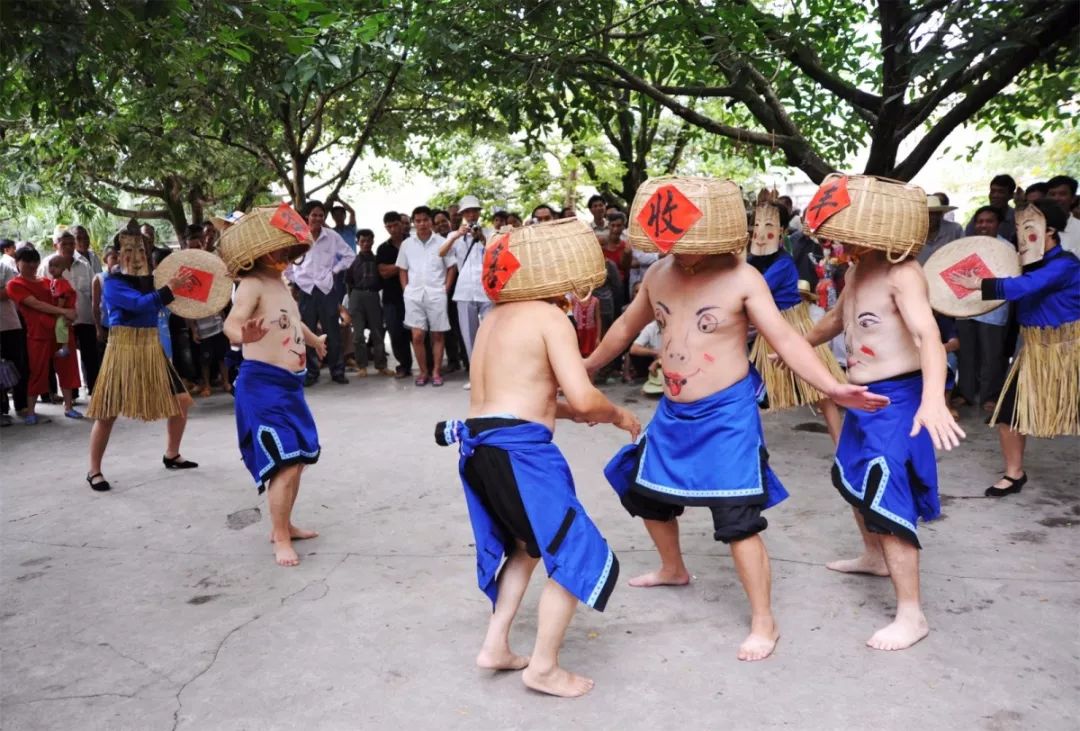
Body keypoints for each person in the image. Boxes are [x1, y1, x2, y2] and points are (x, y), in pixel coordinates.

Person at [592, 177, 887, 662]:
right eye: (675, 245)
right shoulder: (660, 273)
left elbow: (786, 340)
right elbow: (626, 325)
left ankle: (763, 621)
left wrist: (832, 386)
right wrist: (586, 367)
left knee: (737, 519)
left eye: (690, 245)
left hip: (727, 414)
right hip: (673, 411)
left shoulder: (742, 278)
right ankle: (673, 568)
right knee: (643, 490)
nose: (682, 253)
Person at [434, 219, 640, 697]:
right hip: (519, 456)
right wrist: (615, 413)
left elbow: (526, 400)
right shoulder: (549, 318)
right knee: (575, 550)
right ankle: (543, 667)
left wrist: (589, 415)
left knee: (525, 548)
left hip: (481, 450)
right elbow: (585, 399)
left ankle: (495, 645)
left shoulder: (494, 318)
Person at [803, 177, 965, 652]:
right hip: (860, 394)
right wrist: (796, 345)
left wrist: (933, 398)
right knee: (851, 475)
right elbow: (838, 319)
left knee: (887, 487)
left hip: (899, 396)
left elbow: (928, 337)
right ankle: (873, 556)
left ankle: (912, 614)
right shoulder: (856, 270)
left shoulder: (904, 272)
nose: (838, 240)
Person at [948, 199, 1079, 497]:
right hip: (1035, 354)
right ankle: (1014, 473)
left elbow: (1023, 288)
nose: (1021, 236)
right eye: (1019, 228)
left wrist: (979, 283)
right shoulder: (1025, 265)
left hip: (1070, 354)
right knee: (1008, 416)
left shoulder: (1065, 265)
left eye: (1029, 229)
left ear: (1051, 232)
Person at [221, 205, 325, 567]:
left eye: (286, 247)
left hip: (290, 386)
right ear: (258, 251)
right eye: (276, 247)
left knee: (297, 461)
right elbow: (232, 324)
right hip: (261, 385)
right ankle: (279, 535)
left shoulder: (280, 283)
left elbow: (295, 322)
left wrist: (315, 342)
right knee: (285, 462)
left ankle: (286, 524)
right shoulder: (250, 284)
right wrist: (241, 335)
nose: (283, 253)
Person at [85, 231, 198, 491]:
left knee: (181, 401)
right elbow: (138, 305)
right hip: (123, 349)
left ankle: (171, 453)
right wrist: (171, 289)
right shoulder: (110, 281)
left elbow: (176, 296)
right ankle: (94, 470)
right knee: (107, 412)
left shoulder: (153, 279)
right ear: (118, 254)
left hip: (150, 346)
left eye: (142, 251)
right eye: (129, 251)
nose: (136, 257)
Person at [746, 190, 843, 442]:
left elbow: (752, 289)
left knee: (820, 393)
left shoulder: (783, 263)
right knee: (749, 391)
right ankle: (746, 445)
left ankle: (842, 447)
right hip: (769, 333)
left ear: (781, 231)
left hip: (793, 328)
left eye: (768, 225)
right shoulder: (753, 260)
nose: (760, 231)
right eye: (757, 225)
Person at [5, 247, 78, 425]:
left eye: (34, 260)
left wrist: (71, 313)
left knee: (67, 367)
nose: (31, 264)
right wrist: (64, 311)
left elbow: (67, 297)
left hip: (60, 332)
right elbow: (36, 304)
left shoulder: (49, 281)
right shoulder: (14, 285)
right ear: (17, 263)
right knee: (37, 371)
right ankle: (31, 411)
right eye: (27, 261)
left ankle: (69, 407)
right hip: (38, 334)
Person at [285, 200, 355, 386]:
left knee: (332, 332)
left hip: (326, 289)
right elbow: (286, 262)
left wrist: (334, 270)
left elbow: (349, 255)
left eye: (321, 215)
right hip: (305, 290)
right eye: (314, 214)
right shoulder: (296, 237)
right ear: (306, 216)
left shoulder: (331, 236)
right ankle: (311, 372)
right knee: (306, 332)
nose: (317, 218)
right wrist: (295, 279)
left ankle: (337, 370)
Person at [953, 206, 1010, 411]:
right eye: (980, 221)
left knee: (991, 356)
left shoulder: (1008, 249)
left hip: (993, 311)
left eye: (989, 221)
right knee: (966, 354)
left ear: (999, 224)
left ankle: (990, 396)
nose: (984, 225)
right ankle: (966, 394)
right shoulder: (967, 246)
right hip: (966, 307)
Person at [439, 195, 493, 389]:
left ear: (479, 213)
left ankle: (493, 375)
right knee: (469, 336)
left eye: (474, 211)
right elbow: (442, 252)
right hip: (464, 290)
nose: (471, 215)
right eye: (467, 212)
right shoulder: (454, 236)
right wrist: (455, 235)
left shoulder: (489, 231)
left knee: (490, 333)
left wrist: (483, 238)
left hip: (487, 289)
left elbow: (496, 254)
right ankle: (476, 376)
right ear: (461, 214)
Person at [396, 206, 453, 387]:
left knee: (437, 334)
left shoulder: (442, 242)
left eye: (425, 220)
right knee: (418, 335)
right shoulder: (407, 245)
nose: (422, 224)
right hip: (414, 295)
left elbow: (451, 266)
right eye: (418, 221)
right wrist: (406, 290)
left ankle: (436, 371)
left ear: (431, 221)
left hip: (436, 293)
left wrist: (446, 288)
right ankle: (423, 371)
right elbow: (403, 269)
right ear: (414, 223)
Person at [345, 228, 393, 376]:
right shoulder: (352, 261)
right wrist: (351, 301)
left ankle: (381, 365)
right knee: (358, 334)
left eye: (368, 241)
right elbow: (348, 282)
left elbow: (382, 281)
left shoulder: (377, 259)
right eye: (362, 241)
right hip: (356, 296)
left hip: (373, 296)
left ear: (373, 241)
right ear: (357, 242)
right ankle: (362, 366)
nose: (366, 244)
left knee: (377, 332)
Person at [45, 255, 83, 417]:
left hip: (61, 321)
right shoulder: (50, 283)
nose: (52, 268)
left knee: (67, 367)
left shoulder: (60, 283)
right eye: (50, 265)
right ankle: (66, 405)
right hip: (51, 328)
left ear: (64, 268)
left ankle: (68, 406)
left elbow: (61, 301)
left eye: (56, 266)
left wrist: (58, 312)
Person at [376, 211, 412, 378]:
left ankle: (428, 366)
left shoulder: (414, 242)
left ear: (402, 224)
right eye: (389, 226)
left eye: (395, 225)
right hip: (392, 298)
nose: (393, 229)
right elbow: (383, 272)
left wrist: (394, 268)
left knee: (418, 333)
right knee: (396, 333)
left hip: (414, 295)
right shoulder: (383, 248)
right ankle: (404, 366)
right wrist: (405, 265)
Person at [0, 239, 28, 425]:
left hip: (10, 324)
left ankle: (22, 405)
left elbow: (11, 290)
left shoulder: (4, 266)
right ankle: (2, 410)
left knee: (18, 365)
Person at [964, 174, 1017, 242]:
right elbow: (967, 240)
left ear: (1011, 195)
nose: (995, 195)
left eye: (1001, 192)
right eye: (992, 191)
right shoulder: (980, 216)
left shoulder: (1016, 218)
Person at [916, 195, 964, 265]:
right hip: (920, 274)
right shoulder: (913, 234)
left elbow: (964, 253)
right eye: (927, 213)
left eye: (933, 214)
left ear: (940, 214)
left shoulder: (955, 230)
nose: (930, 217)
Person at [1045, 175, 1080, 255]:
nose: (1056, 198)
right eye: (1052, 194)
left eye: (1062, 194)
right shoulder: (1038, 227)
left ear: (1073, 199)